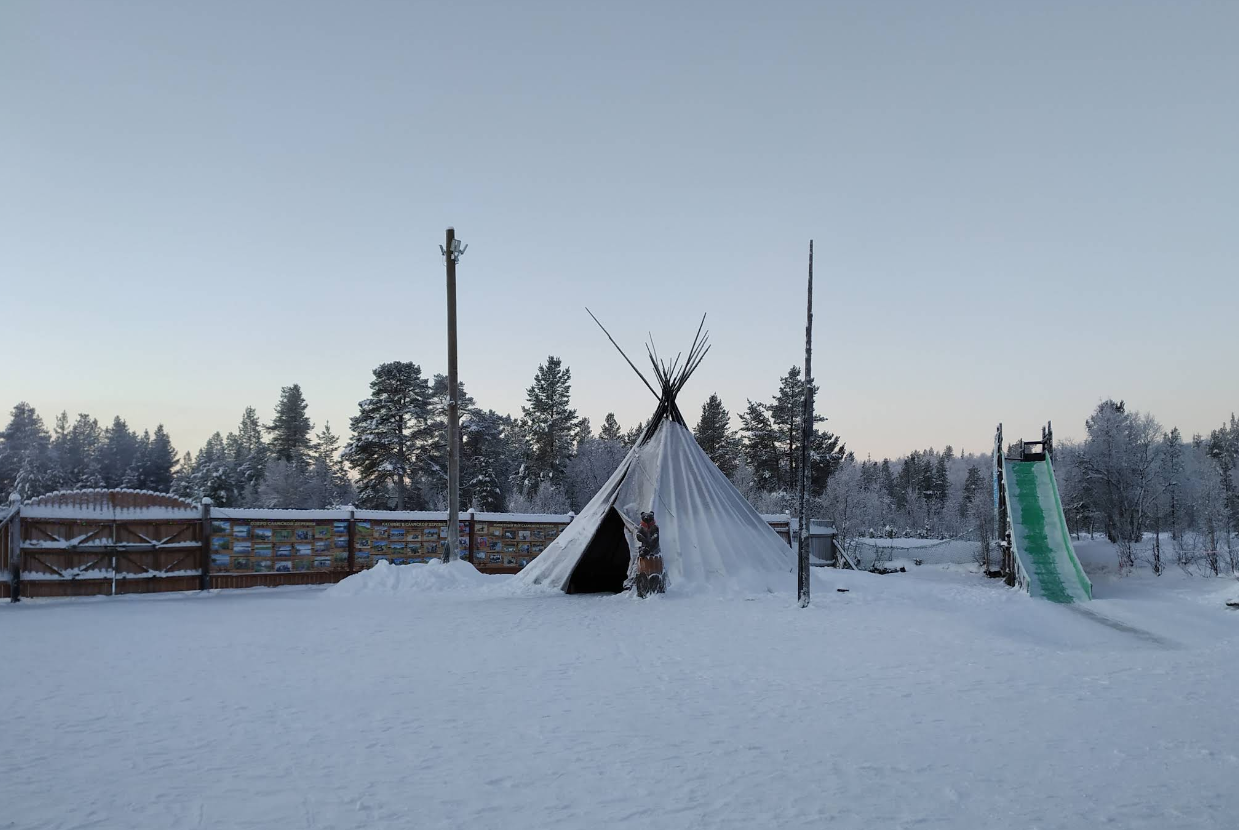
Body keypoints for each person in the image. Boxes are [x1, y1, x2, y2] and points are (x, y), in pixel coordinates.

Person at [635, 511, 664, 596]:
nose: (647, 521)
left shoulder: (654, 527)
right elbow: (638, 534)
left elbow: (655, 538)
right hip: (645, 547)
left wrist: (648, 546)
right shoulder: (642, 527)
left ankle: (655, 588)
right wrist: (644, 540)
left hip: (654, 549)